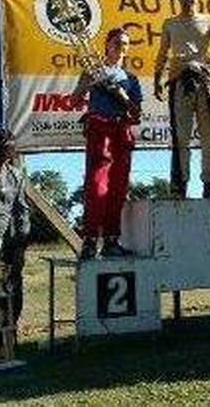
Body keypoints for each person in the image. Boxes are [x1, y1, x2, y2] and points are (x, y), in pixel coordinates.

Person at [154, 0, 210, 199]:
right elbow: (163, 54)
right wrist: (156, 80)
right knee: (181, 137)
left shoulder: (208, 21)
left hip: (205, 82)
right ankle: (180, 187)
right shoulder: (170, 24)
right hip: (181, 82)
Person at [73, 27, 142, 259]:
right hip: (99, 129)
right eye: (117, 42)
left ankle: (112, 240)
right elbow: (74, 100)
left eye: (125, 43)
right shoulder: (92, 70)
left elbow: (137, 113)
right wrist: (88, 83)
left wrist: (124, 100)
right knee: (96, 184)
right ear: (107, 45)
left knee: (119, 187)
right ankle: (90, 241)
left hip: (121, 131)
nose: (121, 47)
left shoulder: (131, 79)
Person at [0, 129, 30, 325]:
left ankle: (1, 346)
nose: (3, 162)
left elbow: (22, 213)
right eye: (0, 156)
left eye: (7, 158)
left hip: (4, 247)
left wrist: (20, 245)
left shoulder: (15, 176)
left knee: (10, 294)